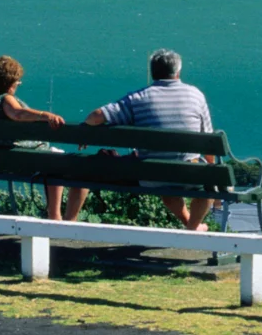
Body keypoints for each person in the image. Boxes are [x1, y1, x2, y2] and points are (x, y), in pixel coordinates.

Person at [82, 48, 217, 230]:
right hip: (189, 175)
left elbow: (96, 116)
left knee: (166, 182)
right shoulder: (196, 95)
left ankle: (191, 226)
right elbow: (208, 141)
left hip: (152, 176)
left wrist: (85, 132)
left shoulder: (137, 98)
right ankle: (193, 228)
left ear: (153, 72)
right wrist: (212, 170)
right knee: (207, 188)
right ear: (178, 72)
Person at [0, 55, 86, 222]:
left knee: (56, 159)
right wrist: (45, 115)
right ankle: (61, 219)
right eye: (18, 81)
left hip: (0, 159)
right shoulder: (6, 99)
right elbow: (17, 113)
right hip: (23, 160)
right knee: (76, 168)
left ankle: (57, 218)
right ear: (12, 83)